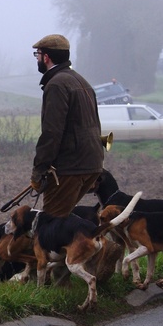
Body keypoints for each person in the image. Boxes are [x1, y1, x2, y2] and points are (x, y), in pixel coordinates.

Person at [30, 34, 104, 218]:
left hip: (70, 166)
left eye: (37, 54)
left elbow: (52, 133)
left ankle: (106, 248)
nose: (37, 59)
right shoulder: (81, 81)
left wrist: (39, 170)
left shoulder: (56, 85)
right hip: (92, 163)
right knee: (64, 221)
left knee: (51, 223)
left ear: (46, 57)